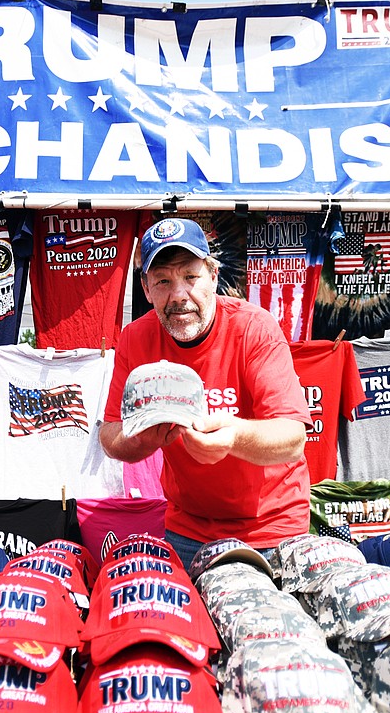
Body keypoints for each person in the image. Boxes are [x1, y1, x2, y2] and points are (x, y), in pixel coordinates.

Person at [99, 218, 313, 568]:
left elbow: (292, 438)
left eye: (190, 277)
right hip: (188, 530)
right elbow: (110, 435)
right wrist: (145, 437)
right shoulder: (135, 339)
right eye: (163, 281)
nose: (179, 295)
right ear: (146, 289)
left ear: (213, 277)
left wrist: (235, 436)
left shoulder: (254, 328)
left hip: (272, 529)